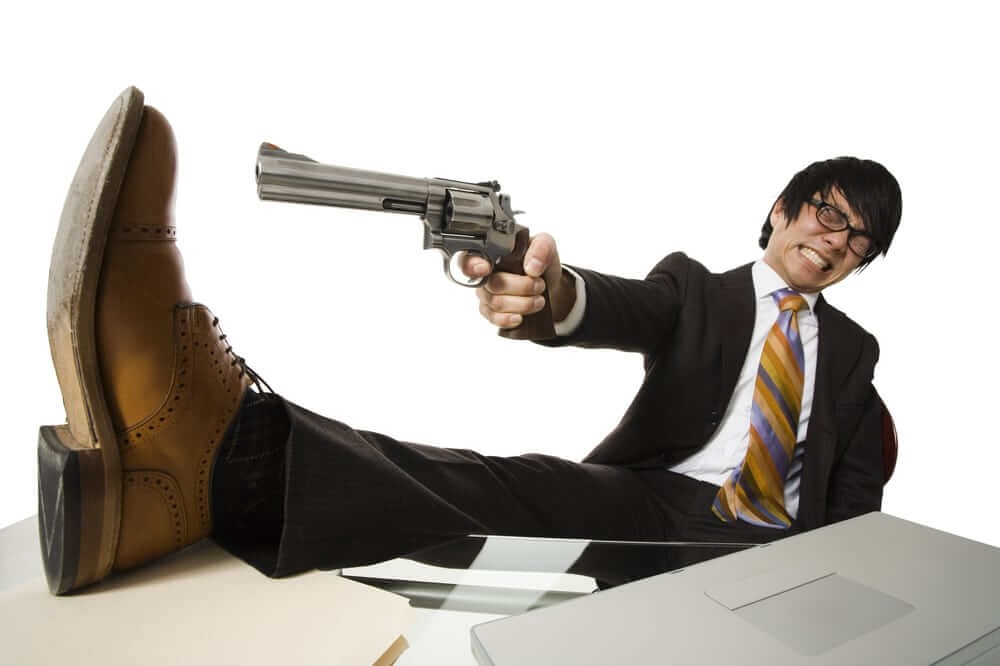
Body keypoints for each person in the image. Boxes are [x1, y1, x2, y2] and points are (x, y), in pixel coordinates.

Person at [39, 87, 900, 594]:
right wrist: (547, 293)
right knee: (503, 488)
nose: (837, 240)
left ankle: (175, 487)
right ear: (782, 210)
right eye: (828, 214)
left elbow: (858, 500)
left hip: (782, 551)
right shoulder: (699, 293)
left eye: (860, 240)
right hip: (658, 508)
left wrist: (844, 588)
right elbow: (616, 306)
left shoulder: (854, 354)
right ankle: (209, 466)